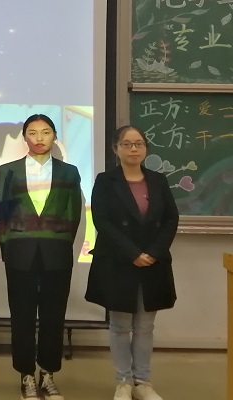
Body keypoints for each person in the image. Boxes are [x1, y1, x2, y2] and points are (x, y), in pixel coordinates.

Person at [85, 126, 178, 400]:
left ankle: (143, 382)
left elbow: (171, 218)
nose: (133, 149)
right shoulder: (105, 181)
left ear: (145, 148)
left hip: (153, 262)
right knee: (120, 325)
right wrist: (132, 253)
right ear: (116, 149)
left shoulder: (158, 180)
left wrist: (154, 252)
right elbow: (102, 220)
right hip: (118, 261)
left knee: (145, 326)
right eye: (126, 144)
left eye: (138, 143)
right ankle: (123, 382)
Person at [0, 114, 81, 400]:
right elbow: (2, 217)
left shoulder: (69, 172)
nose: (39, 138)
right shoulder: (8, 170)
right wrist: (7, 249)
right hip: (19, 251)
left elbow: (73, 215)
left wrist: (61, 243)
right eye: (33, 133)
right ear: (25, 137)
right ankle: (26, 376)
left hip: (57, 251)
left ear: (54, 136)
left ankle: (48, 374)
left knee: (53, 316)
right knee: (21, 316)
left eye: (45, 132)